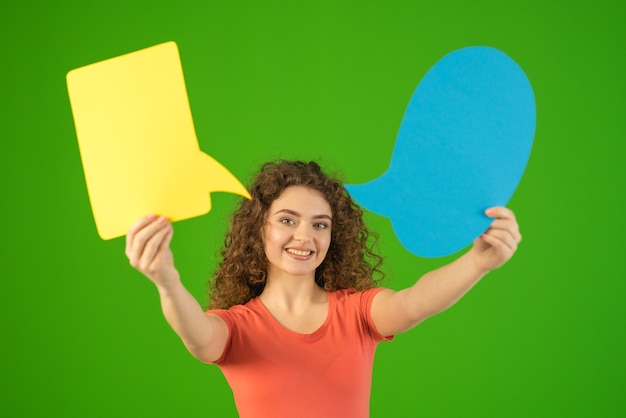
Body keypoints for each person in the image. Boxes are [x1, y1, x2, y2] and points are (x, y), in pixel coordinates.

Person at [125, 160, 521, 418]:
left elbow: (414, 302)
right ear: (258, 228)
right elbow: (196, 335)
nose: (304, 235)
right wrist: (165, 279)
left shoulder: (358, 313)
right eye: (287, 220)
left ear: (334, 235)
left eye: (320, 224)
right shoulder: (236, 329)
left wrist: (478, 262)